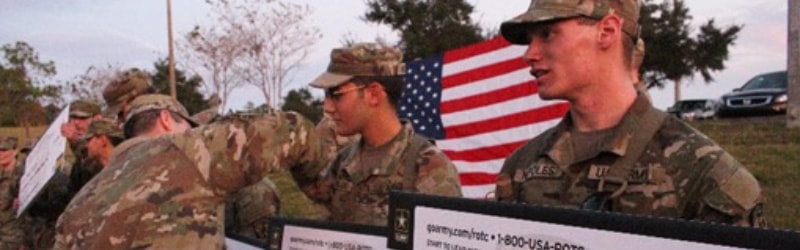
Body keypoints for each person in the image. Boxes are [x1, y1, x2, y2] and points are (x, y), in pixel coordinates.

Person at [494, 0, 766, 227]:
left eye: (547, 34)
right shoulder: (522, 167)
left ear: (608, 30)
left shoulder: (706, 175)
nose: (529, 54)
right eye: (530, 40)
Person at [54, 94, 326, 249]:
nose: (193, 131)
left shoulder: (80, 202)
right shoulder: (186, 149)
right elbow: (295, 129)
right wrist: (317, 187)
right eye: (188, 125)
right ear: (166, 119)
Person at [294, 43, 463, 226]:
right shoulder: (343, 162)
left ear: (373, 94)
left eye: (336, 95)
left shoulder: (429, 168)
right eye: (326, 96)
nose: (327, 107)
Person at [68, 118, 123, 195]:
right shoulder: (94, 173)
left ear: (103, 140)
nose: (86, 145)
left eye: (89, 140)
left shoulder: (124, 165)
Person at [0, 135, 25, 249]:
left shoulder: (24, 174)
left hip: (17, 237)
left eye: (5, 150)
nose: (1, 154)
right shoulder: (2, 176)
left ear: (15, 151)